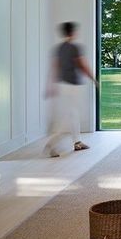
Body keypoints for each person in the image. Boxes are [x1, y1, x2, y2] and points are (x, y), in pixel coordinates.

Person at [44, 21, 97, 156]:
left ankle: (77, 142)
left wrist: (50, 85)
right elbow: (83, 66)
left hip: (62, 85)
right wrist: (94, 80)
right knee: (70, 116)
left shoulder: (59, 48)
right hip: (73, 86)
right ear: (73, 32)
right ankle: (52, 143)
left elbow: (54, 67)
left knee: (73, 114)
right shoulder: (75, 48)